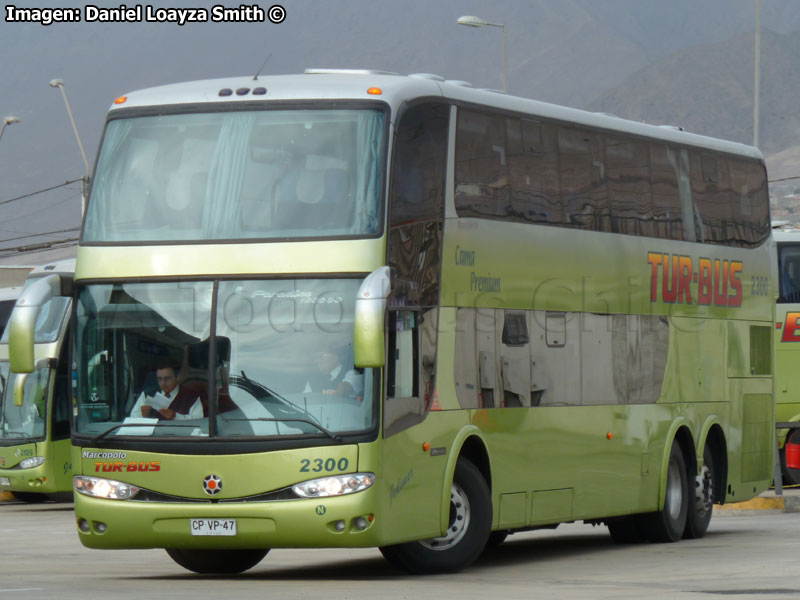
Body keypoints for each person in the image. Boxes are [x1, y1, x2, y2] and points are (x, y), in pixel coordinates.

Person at [129, 360, 206, 420]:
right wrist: (143, 416)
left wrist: (175, 416)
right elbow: (132, 420)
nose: (163, 383)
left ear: (177, 377)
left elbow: (198, 421)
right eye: (159, 379)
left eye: (167, 379)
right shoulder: (147, 394)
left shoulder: (191, 397)